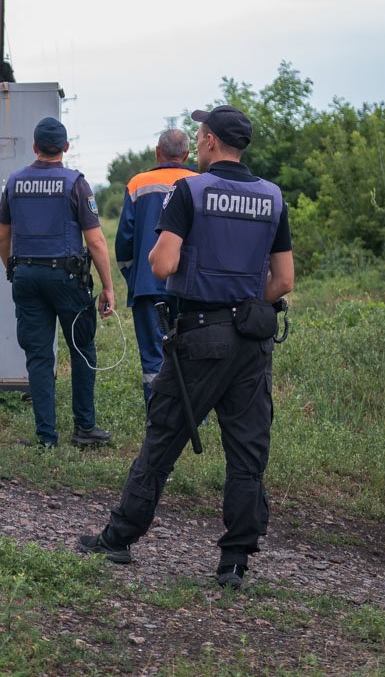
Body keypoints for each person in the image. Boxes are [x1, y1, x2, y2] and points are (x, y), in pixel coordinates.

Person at [77, 105, 294, 589]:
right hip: (252, 343)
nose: (197, 140)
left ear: (213, 141)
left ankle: (118, 539)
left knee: (163, 437)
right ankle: (234, 562)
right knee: (247, 452)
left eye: (201, 133)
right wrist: (242, 302)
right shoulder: (273, 198)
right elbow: (283, 281)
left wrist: (196, 280)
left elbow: (161, 263)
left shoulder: (189, 190)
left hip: (199, 336)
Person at [0, 117, 116, 449]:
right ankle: (84, 429)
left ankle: (46, 437)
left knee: (38, 355)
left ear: (34, 147)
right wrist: (108, 286)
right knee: (81, 349)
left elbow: (1, 236)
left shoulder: (15, 182)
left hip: (26, 277)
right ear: (65, 147)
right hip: (67, 278)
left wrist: (12, 270)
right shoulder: (75, 183)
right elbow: (96, 242)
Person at [117, 129, 198, 403]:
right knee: (192, 353)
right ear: (187, 154)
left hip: (148, 286)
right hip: (191, 288)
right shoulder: (202, 182)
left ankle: (158, 418)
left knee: (153, 359)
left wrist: (134, 276)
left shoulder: (138, 184)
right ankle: (191, 418)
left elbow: (124, 241)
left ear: (157, 151)